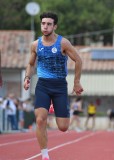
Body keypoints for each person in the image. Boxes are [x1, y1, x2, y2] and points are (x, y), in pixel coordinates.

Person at [23, 12, 83, 160]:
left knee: (63, 127)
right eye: (43, 23)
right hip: (42, 84)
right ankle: (45, 155)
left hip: (59, 86)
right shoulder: (35, 45)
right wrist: (27, 77)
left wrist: (76, 82)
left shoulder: (63, 43)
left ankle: (55, 106)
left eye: (49, 24)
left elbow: (78, 60)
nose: (45, 26)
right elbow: (30, 64)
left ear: (54, 26)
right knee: (40, 119)